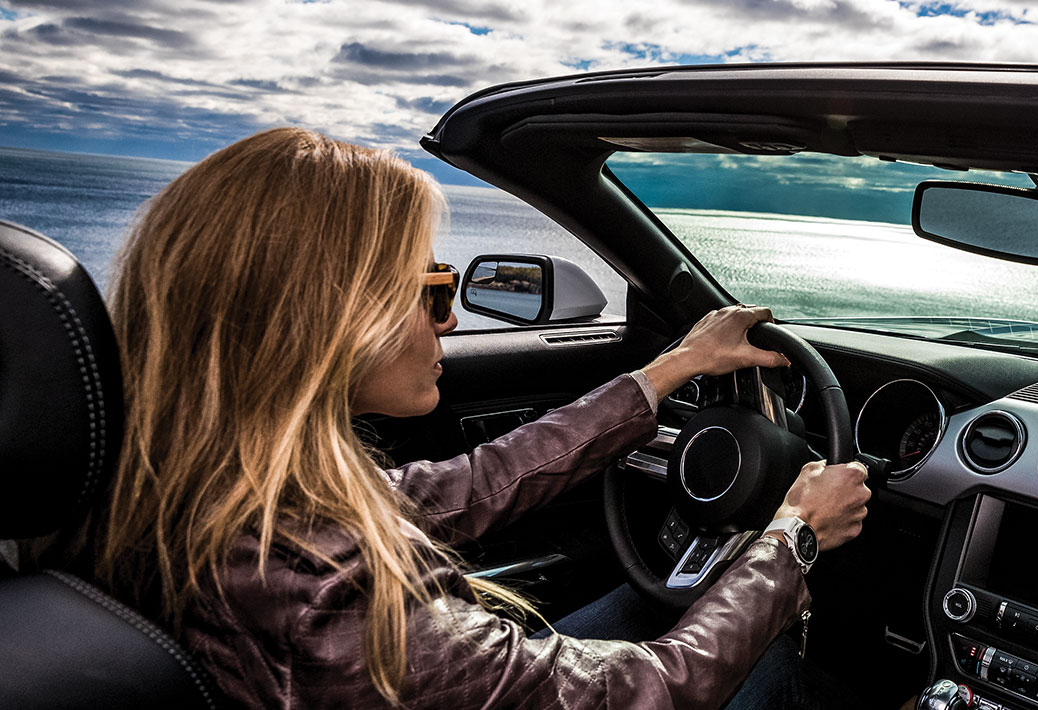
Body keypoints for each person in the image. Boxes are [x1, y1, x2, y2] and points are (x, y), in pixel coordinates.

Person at [50, 127, 872, 708]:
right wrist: (791, 538)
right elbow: (648, 691)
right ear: (331, 321)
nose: (448, 321)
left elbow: (469, 485)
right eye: (431, 292)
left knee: (645, 604)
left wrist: (670, 369)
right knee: (769, 670)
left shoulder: (186, 483)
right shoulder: (317, 586)